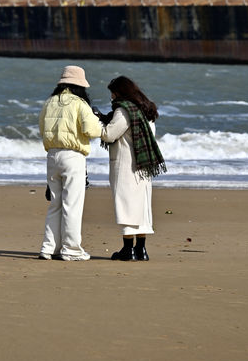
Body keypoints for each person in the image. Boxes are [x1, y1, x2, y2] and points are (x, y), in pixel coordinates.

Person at [38, 65, 102, 261]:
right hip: (73, 156)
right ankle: (71, 249)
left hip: (52, 155)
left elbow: (41, 127)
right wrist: (98, 120)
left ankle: (49, 248)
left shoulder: (49, 102)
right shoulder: (79, 104)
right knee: (72, 205)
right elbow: (92, 131)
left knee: (55, 204)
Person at [100, 76, 166, 262]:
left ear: (120, 92)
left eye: (113, 92)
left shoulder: (123, 111)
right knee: (142, 206)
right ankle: (141, 250)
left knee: (127, 205)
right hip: (144, 164)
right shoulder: (146, 109)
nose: (111, 97)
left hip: (126, 164)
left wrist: (98, 121)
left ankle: (127, 250)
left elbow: (109, 134)